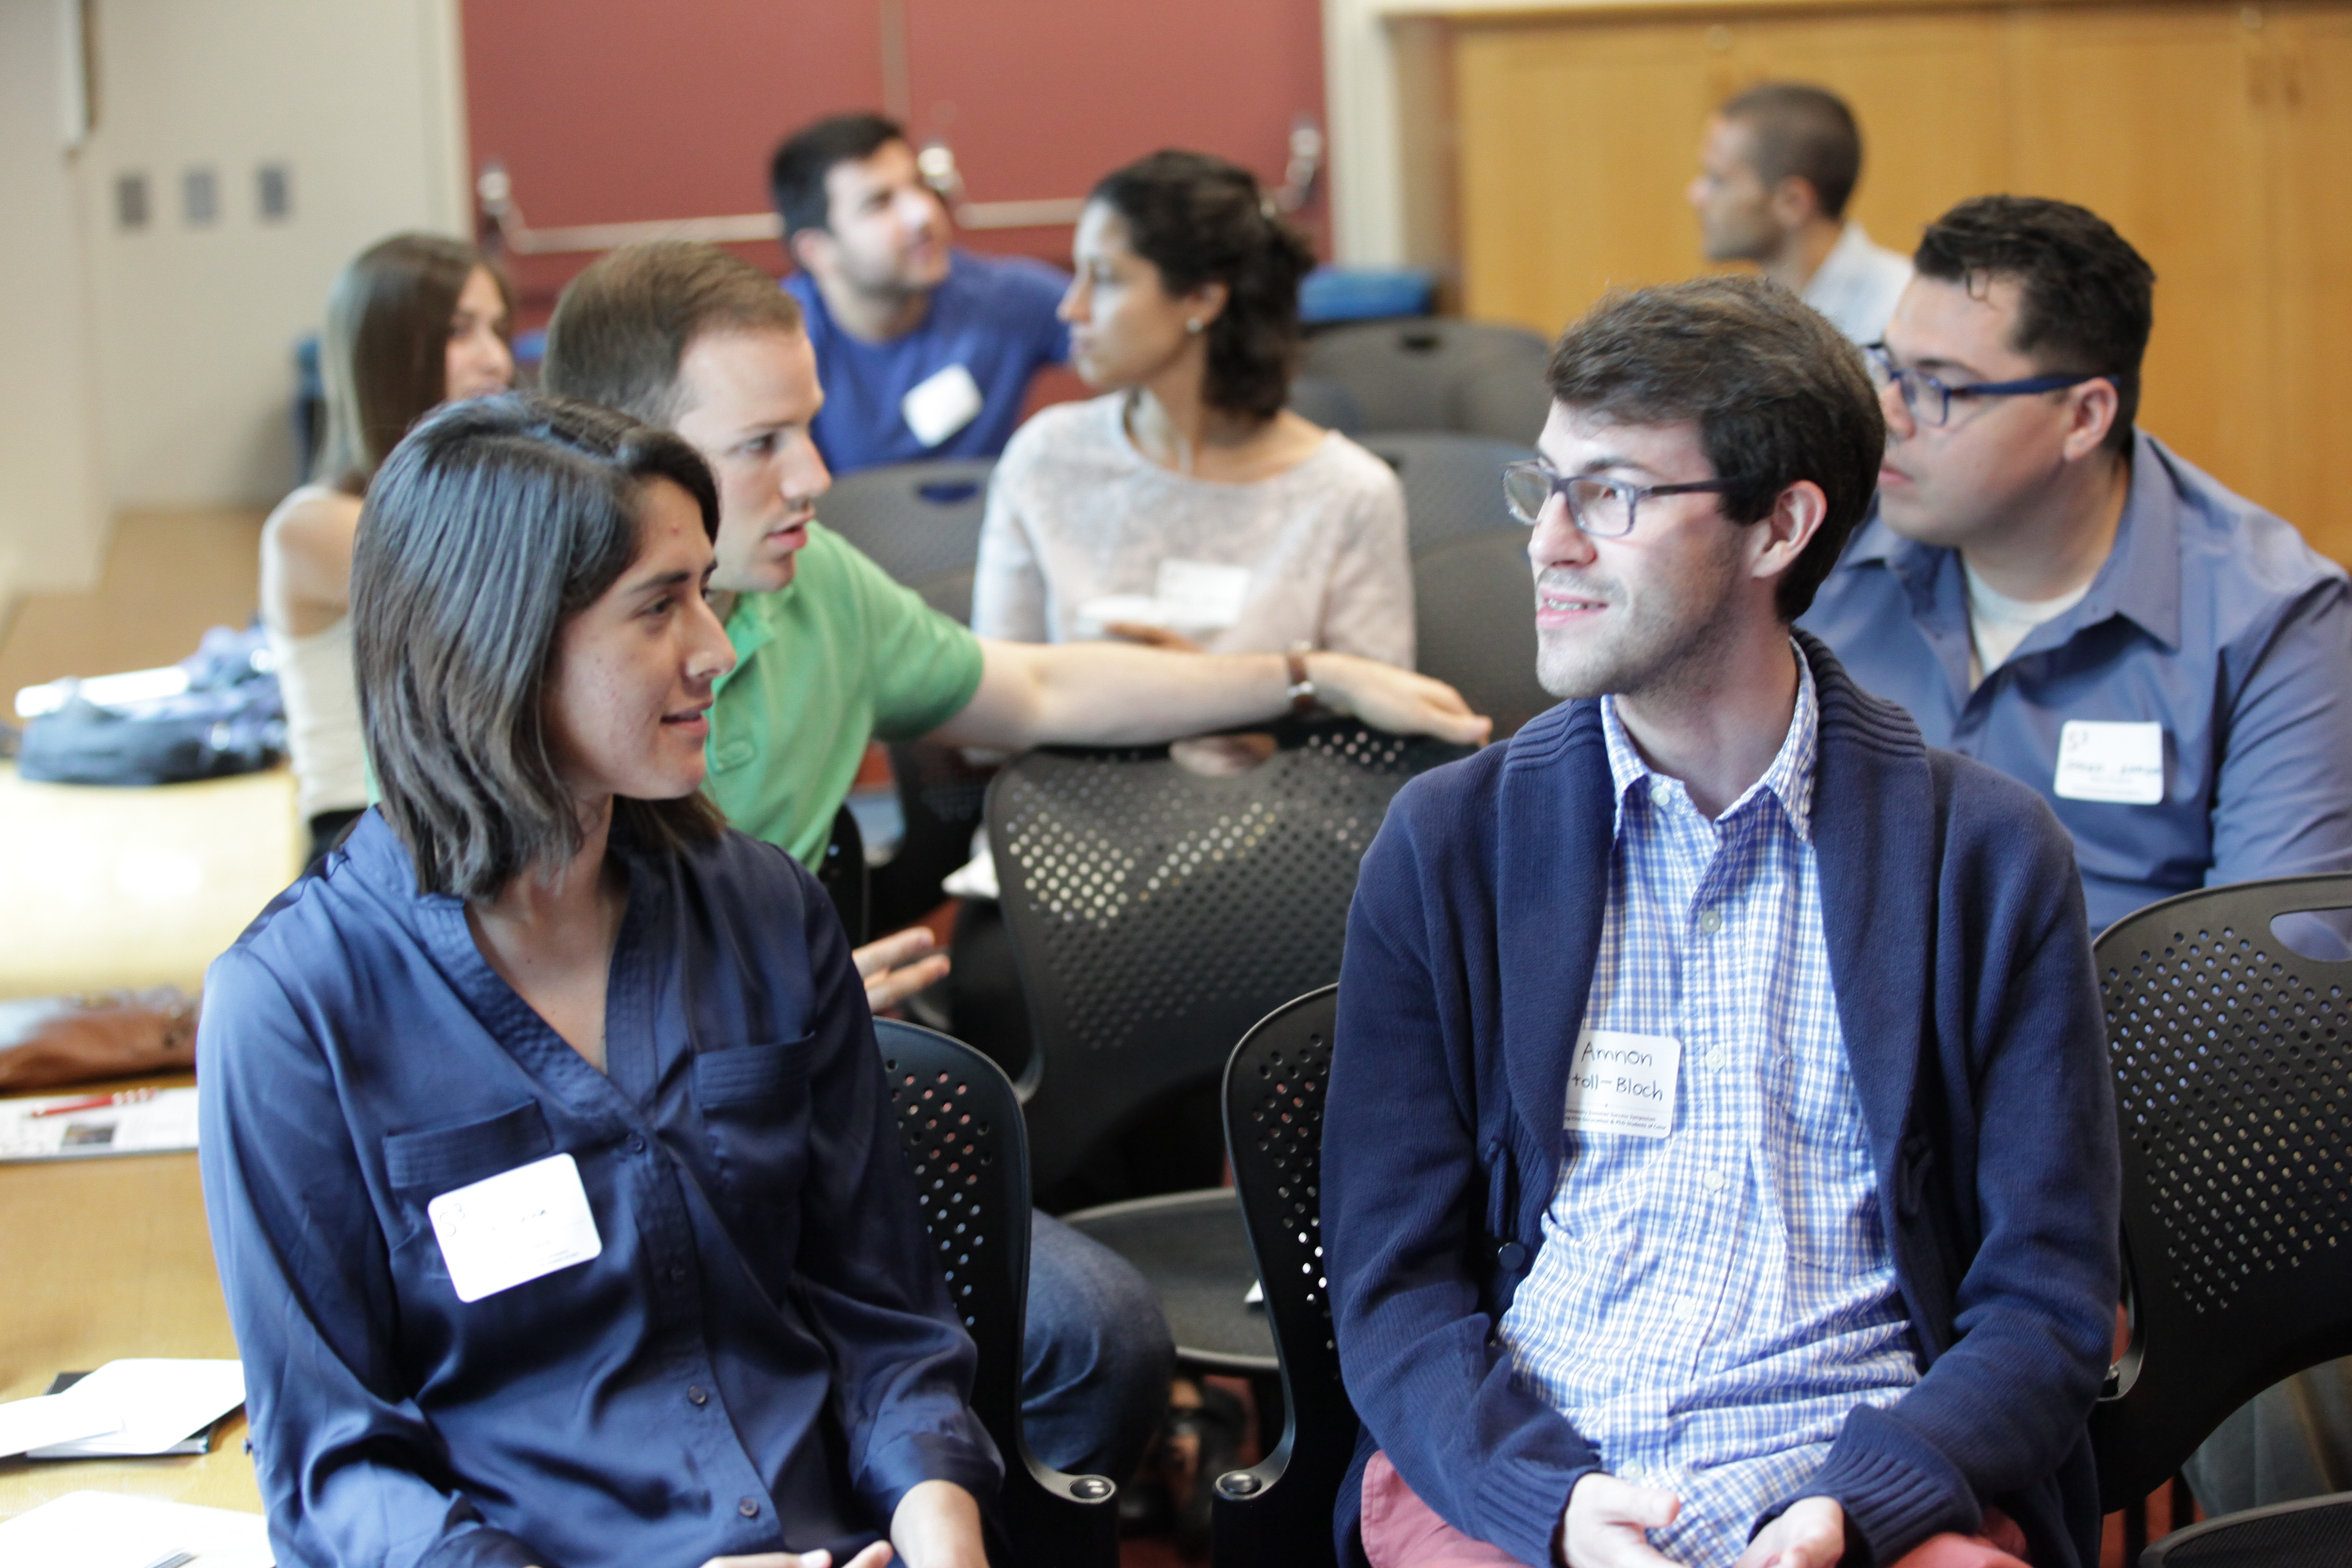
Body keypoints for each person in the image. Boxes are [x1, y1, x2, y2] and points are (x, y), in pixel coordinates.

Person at [537, 239, 1489, 1491]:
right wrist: (739, 1012)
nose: (815, 477)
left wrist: (1309, 677)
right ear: (629, 454)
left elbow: (1030, 684)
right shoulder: (532, 667)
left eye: (810, 430)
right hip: (616, 1153)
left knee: (1094, 1344)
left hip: (818, 1103)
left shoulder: (814, 590)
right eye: (763, 444)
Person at [1322, 276, 2120, 1568]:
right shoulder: (1448, 846)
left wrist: (1864, 1505)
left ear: (1778, 529)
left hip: (1858, 1470)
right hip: (1537, 1464)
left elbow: (2047, 1301)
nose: (1548, 544)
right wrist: (1555, 1511)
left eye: (1614, 496)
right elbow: (1392, 1291)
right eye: (1547, 487)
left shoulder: (1984, 856)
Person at [201, 395, 994, 1568]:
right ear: (502, 642)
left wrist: (940, 1533)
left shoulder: (768, 911)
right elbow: (337, 1472)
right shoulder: (294, 1011)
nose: (717, 649)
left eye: (705, 592)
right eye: (660, 607)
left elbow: (889, 1325)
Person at [1801, 194, 2352, 1515]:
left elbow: (2270, 1000)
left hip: (2132, 1136)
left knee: (2278, 1282)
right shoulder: (1832, 563)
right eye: (1890, 369)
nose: (1893, 418)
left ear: (2084, 414)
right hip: (1822, 1101)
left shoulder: (2270, 620)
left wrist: (2006, 1116)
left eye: (1944, 390)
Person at [972, 150, 1412, 665]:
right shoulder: (1045, 457)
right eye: (1078, 277)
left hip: (1280, 751)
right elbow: (991, 713)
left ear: (1201, 298)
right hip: (1066, 748)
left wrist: (1215, 704)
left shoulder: (1350, 494)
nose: (1072, 307)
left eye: (1106, 278)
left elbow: (1382, 728)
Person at [260, 233, 514, 866]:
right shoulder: (314, 526)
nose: (497, 360)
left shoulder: (476, 502)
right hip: (362, 834)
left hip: (467, 822)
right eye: (462, 333)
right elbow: (503, 598)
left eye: (497, 330)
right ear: (388, 356)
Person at [772, 112, 1068, 474]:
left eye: (920, 186)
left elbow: (1142, 338)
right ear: (817, 251)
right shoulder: (775, 341)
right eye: (879, 203)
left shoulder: (1007, 299)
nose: (922, 214)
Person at [1687, 84, 1911, 346]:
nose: (1696, 196)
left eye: (1718, 180)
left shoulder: (1902, 314)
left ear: (1793, 202)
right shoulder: (1758, 314)